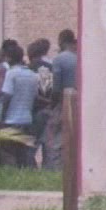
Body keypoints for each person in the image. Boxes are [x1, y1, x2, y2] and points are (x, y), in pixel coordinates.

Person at [0, 45, 42, 168]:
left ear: (9, 58)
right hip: (27, 120)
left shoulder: (11, 74)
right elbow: (35, 97)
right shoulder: (32, 75)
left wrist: (2, 118)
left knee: (9, 153)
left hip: (11, 120)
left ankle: (11, 174)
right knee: (24, 154)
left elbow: (6, 97)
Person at [44, 29, 78, 170]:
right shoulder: (80, 57)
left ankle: (55, 168)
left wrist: (52, 105)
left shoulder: (60, 59)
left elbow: (56, 87)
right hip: (79, 101)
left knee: (55, 137)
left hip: (63, 102)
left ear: (61, 41)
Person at [26, 38, 55, 167]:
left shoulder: (29, 68)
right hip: (50, 108)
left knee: (31, 143)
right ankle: (48, 169)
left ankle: (30, 168)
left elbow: (32, 93)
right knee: (48, 144)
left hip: (35, 110)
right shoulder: (51, 67)